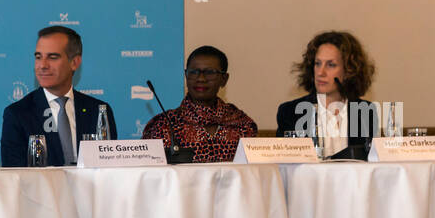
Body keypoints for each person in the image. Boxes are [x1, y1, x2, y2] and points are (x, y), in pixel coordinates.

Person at [1, 25, 118, 167]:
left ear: (74, 62)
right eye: (38, 57)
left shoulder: (98, 111)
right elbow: (15, 175)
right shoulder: (18, 114)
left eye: (52, 57)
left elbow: (110, 169)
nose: (42, 65)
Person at [142, 46, 257, 162]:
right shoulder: (163, 125)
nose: (201, 79)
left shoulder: (243, 126)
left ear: (224, 79)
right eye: (194, 72)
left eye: (210, 72)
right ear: (186, 76)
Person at [276, 30, 379, 159]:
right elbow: (285, 167)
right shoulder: (290, 112)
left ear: (348, 71)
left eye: (331, 65)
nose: (321, 72)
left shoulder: (366, 112)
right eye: (317, 63)